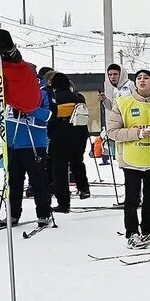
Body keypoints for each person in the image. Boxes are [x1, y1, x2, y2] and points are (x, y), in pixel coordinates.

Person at [0, 28, 46, 221]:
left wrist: (30, 110)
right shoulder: (7, 87)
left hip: (33, 141)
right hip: (12, 142)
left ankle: (43, 213)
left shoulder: (42, 92)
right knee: (13, 181)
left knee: (37, 181)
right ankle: (13, 214)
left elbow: (49, 115)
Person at [104, 67, 150, 248]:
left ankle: (148, 231)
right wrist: (138, 133)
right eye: (139, 77)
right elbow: (113, 132)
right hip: (132, 159)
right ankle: (131, 233)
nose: (142, 80)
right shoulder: (123, 102)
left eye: (146, 77)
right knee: (132, 199)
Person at [45, 72, 92, 211]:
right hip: (79, 135)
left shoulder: (53, 98)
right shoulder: (79, 97)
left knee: (59, 169)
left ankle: (64, 203)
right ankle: (84, 188)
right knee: (77, 162)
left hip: (60, 137)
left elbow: (50, 118)